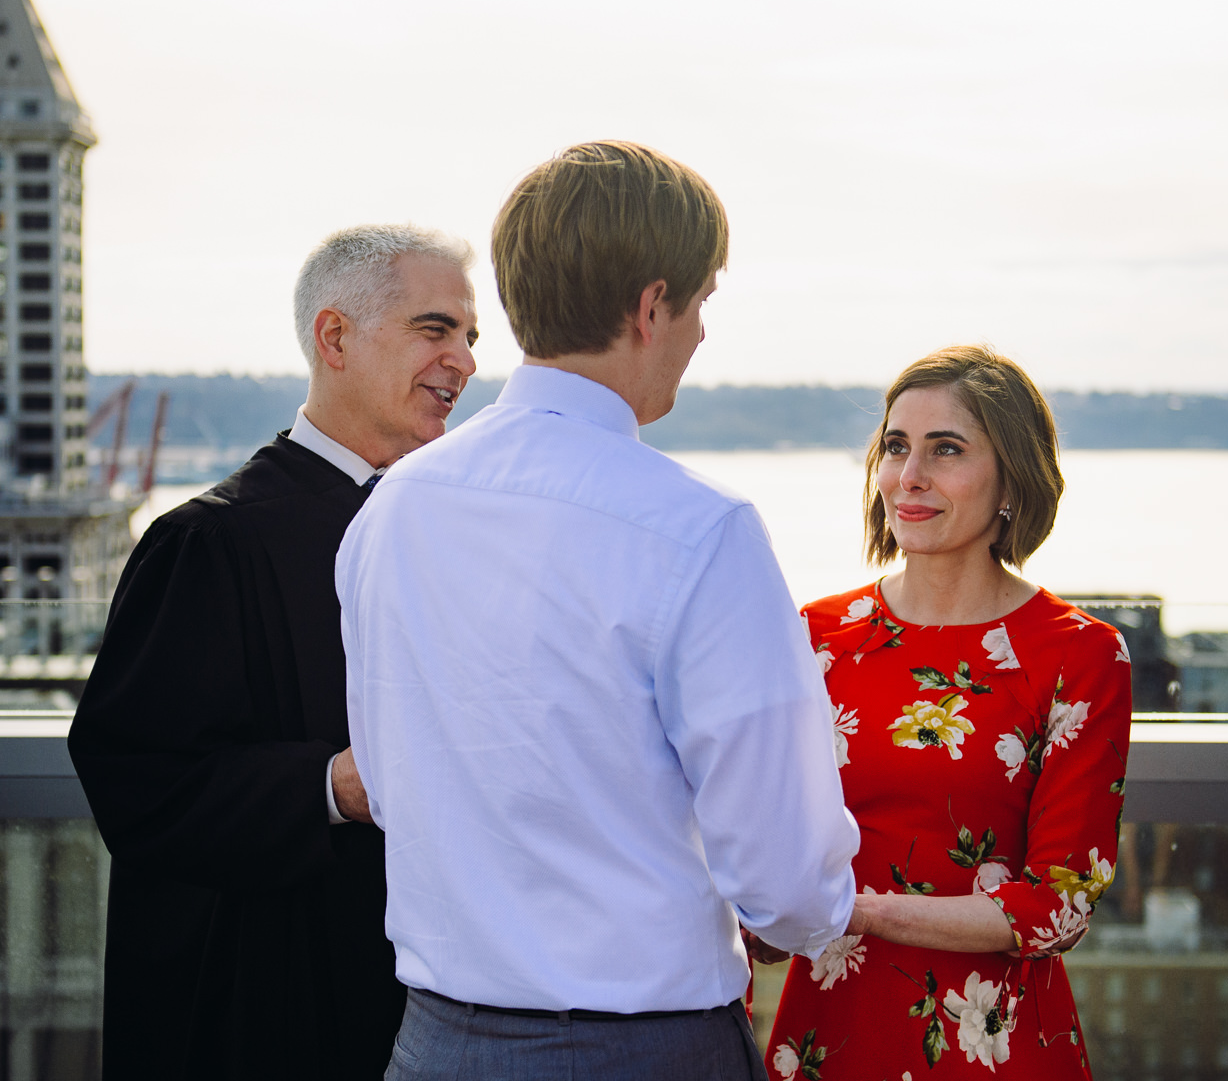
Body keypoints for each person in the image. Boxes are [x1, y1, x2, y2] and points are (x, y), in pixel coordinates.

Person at [338, 141, 860, 1080]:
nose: (701, 334)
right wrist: (804, 916)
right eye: (700, 304)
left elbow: (386, 770)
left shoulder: (391, 509)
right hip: (640, 1051)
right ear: (652, 306)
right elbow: (784, 875)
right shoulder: (698, 530)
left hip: (433, 1048)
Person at [67, 225, 479, 1080]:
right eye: (436, 329)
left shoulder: (454, 530)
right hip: (268, 1002)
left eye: (470, 338)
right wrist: (334, 786)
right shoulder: (207, 542)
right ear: (335, 338)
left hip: (439, 998)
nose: (465, 361)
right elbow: (136, 780)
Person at [767, 345, 1132, 1080]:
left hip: (993, 1047)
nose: (910, 477)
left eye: (946, 450)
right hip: (831, 1034)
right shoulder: (816, 637)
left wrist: (855, 910)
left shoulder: (1081, 656)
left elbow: (1055, 908)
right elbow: (768, 849)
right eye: (896, 447)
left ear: (1011, 480)